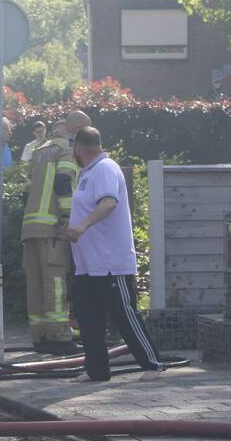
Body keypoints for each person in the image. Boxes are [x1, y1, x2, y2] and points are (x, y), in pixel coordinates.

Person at [67, 126, 167, 381]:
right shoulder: (87, 173)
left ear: (79, 147)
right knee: (89, 320)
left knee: (123, 314)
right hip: (88, 264)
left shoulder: (105, 168)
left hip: (110, 262)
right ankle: (96, 371)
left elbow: (109, 202)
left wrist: (82, 225)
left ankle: (153, 365)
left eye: (74, 148)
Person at [20, 111, 89, 355]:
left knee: (36, 282)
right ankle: (59, 337)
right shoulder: (67, 151)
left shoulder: (40, 150)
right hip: (52, 227)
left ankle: (40, 337)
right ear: (76, 131)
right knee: (56, 281)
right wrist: (68, 219)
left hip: (30, 227)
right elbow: (62, 184)